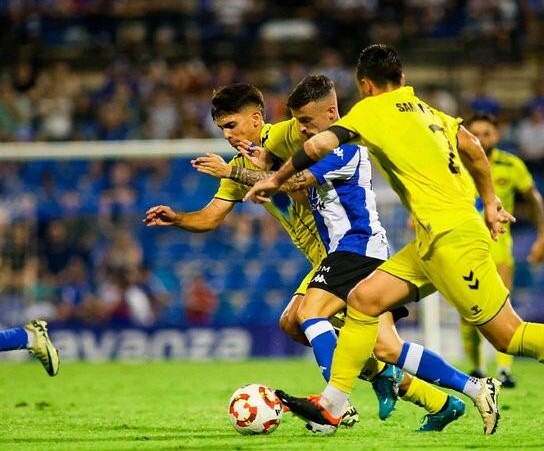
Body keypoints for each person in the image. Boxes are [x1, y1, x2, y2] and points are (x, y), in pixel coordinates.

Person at [151, 80, 486, 431]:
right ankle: (438, 400)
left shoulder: (286, 135)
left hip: (351, 251)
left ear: (256, 118)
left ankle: (342, 405)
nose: (228, 136)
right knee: (302, 325)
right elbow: (210, 217)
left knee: (376, 343)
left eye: (232, 125)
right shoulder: (238, 163)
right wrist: (178, 218)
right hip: (326, 258)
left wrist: (249, 167)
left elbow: (306, 168)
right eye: (222, 129)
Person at [244, 44, 544, 436]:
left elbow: (318, 145)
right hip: (431, 241)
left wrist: (275, 178)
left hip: (453, 237)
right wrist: (489, 201)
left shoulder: (371, 109)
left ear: (365, 85)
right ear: (401, 78)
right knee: (364, 300)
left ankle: (359, 399)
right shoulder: (427, 110)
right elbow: (470, 144)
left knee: (509, 335)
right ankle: (333, 405)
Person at [460, 113, 544, 386]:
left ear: (497, 135)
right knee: (468, 310)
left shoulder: (511, 164)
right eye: (476, 133)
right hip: (463, 245)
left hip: (498, 245)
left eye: (487, 133)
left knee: (501, 304)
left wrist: (542, 236)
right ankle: (477, 366)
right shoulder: (455, 164)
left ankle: (504, 370)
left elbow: (533, 198)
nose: (481, 139)